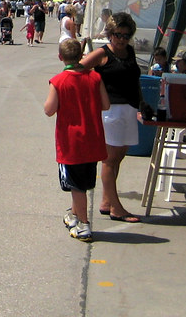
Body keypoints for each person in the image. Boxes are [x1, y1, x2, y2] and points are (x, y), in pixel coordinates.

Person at [79, 12, 147, 222]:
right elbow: (77, 69)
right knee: (109, 160)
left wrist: (142, 102)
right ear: (110, 33)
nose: (121, 39)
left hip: (129, 109)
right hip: (111, 112)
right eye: (118, 34)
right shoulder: (102, 53)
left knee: (118, 159)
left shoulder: (129, 52)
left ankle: (106, 202)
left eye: (126, 35)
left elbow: (134, 81)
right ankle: (116, 207)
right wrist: (94, 90)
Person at [44, 37, 110, 242]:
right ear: (81, 56)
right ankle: (74, 214)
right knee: (82, 181)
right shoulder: (95, 78)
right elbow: (106, 104)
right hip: (92, 138)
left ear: (60, 57)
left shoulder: (59, 81)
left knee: (76, 186)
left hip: (72, 142)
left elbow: (49, 110)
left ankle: (83, 223)